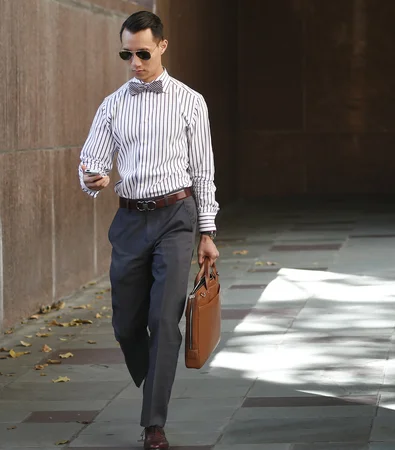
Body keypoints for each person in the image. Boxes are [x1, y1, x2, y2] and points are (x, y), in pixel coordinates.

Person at [78, 11, 219, 450]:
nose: (134, 62)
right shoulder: (113, 103)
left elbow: (203, 171)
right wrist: (93, 178)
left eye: (142, 52)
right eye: (127, 53)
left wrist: (207, 231)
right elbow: (91, 162)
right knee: (125, 325)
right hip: (129, 221)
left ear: (162, 45)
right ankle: (157, 373)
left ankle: (153, 423)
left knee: (164, 320)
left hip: (176, 218)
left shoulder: (190, 101)